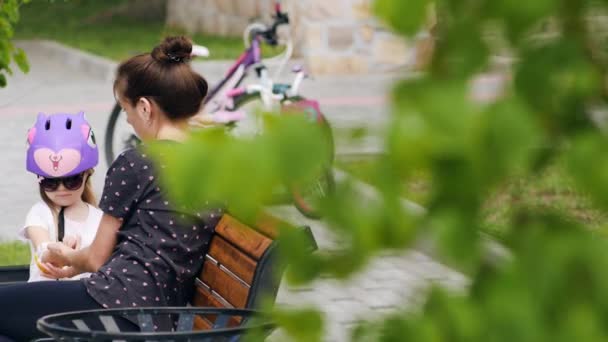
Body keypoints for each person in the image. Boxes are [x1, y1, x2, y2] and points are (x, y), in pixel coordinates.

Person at [0, 36, 222, 341]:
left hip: (117, 306)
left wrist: (66, 257)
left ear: (145, 108)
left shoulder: (137, 162)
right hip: (157, 315)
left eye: (126, 109)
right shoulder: (215, 167)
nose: (128, 121)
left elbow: (95, 259)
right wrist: (70, 269)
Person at [20, 112, 103, 282]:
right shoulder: (40, 213)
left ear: (87, 174)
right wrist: (58, 252)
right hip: (46, 302)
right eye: (50, 182)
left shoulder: (99, 219)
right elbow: (42, 248)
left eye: (72, 180)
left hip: (84, 301)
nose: (61, 188)